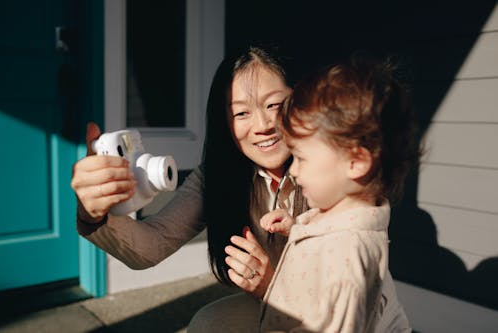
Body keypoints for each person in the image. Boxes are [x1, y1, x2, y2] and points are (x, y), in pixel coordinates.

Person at [71, 46, 408, 332]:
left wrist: (270, 281)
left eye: (274, 105)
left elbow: (340, 306)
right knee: (207, 324)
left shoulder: (335, 178)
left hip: (360, 321)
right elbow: (151, 246)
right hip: (280, 305)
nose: (261, 125)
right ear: (224, 123)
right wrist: (93, 213)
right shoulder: (220, 173)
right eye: (241, 113)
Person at [259, 58, 418, 332]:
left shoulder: (346, 262)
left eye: (301, 158)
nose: (293, 170)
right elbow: (327, 237)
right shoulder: (341, 215)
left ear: (356, 162)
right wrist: (295, 228)